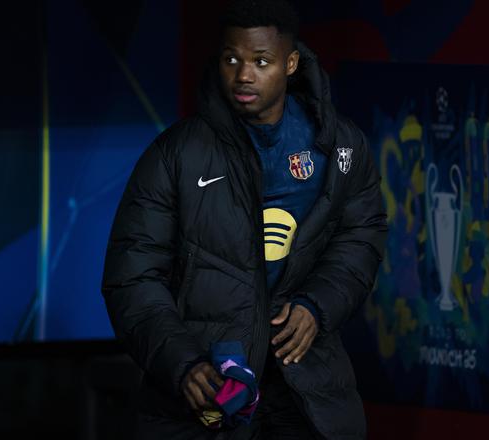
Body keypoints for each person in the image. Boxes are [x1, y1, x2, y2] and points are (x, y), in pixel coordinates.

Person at [101, 0, 387, 438]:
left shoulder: (338, 145)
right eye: (231, 59)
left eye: (261, 61)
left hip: (306, 386)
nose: (244, 75)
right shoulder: (175, 155)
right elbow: (132, 276)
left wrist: (317, 305)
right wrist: (183, 363)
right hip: (208, 391)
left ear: (290, 63)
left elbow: (361, 234)